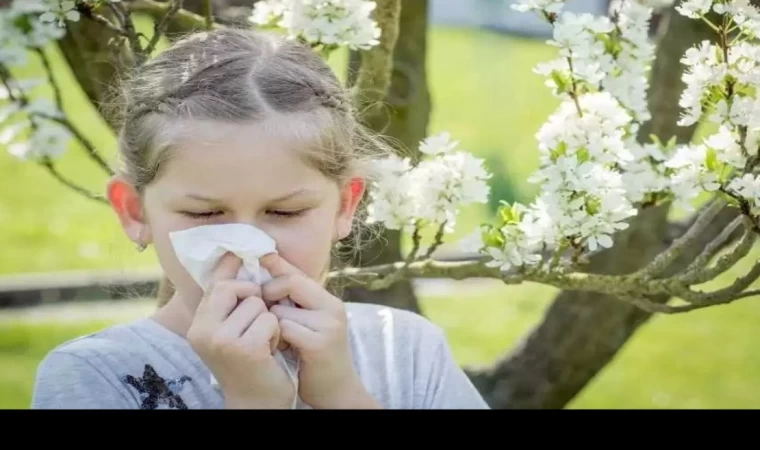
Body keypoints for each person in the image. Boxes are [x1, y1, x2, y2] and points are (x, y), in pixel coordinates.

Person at [30, 27, 490, 410]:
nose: (247, 242)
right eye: (204, 212)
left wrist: (339, 395)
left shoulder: (404, 350)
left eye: (284, 211)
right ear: (135, 211)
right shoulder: (94, 377)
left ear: (345, 206)